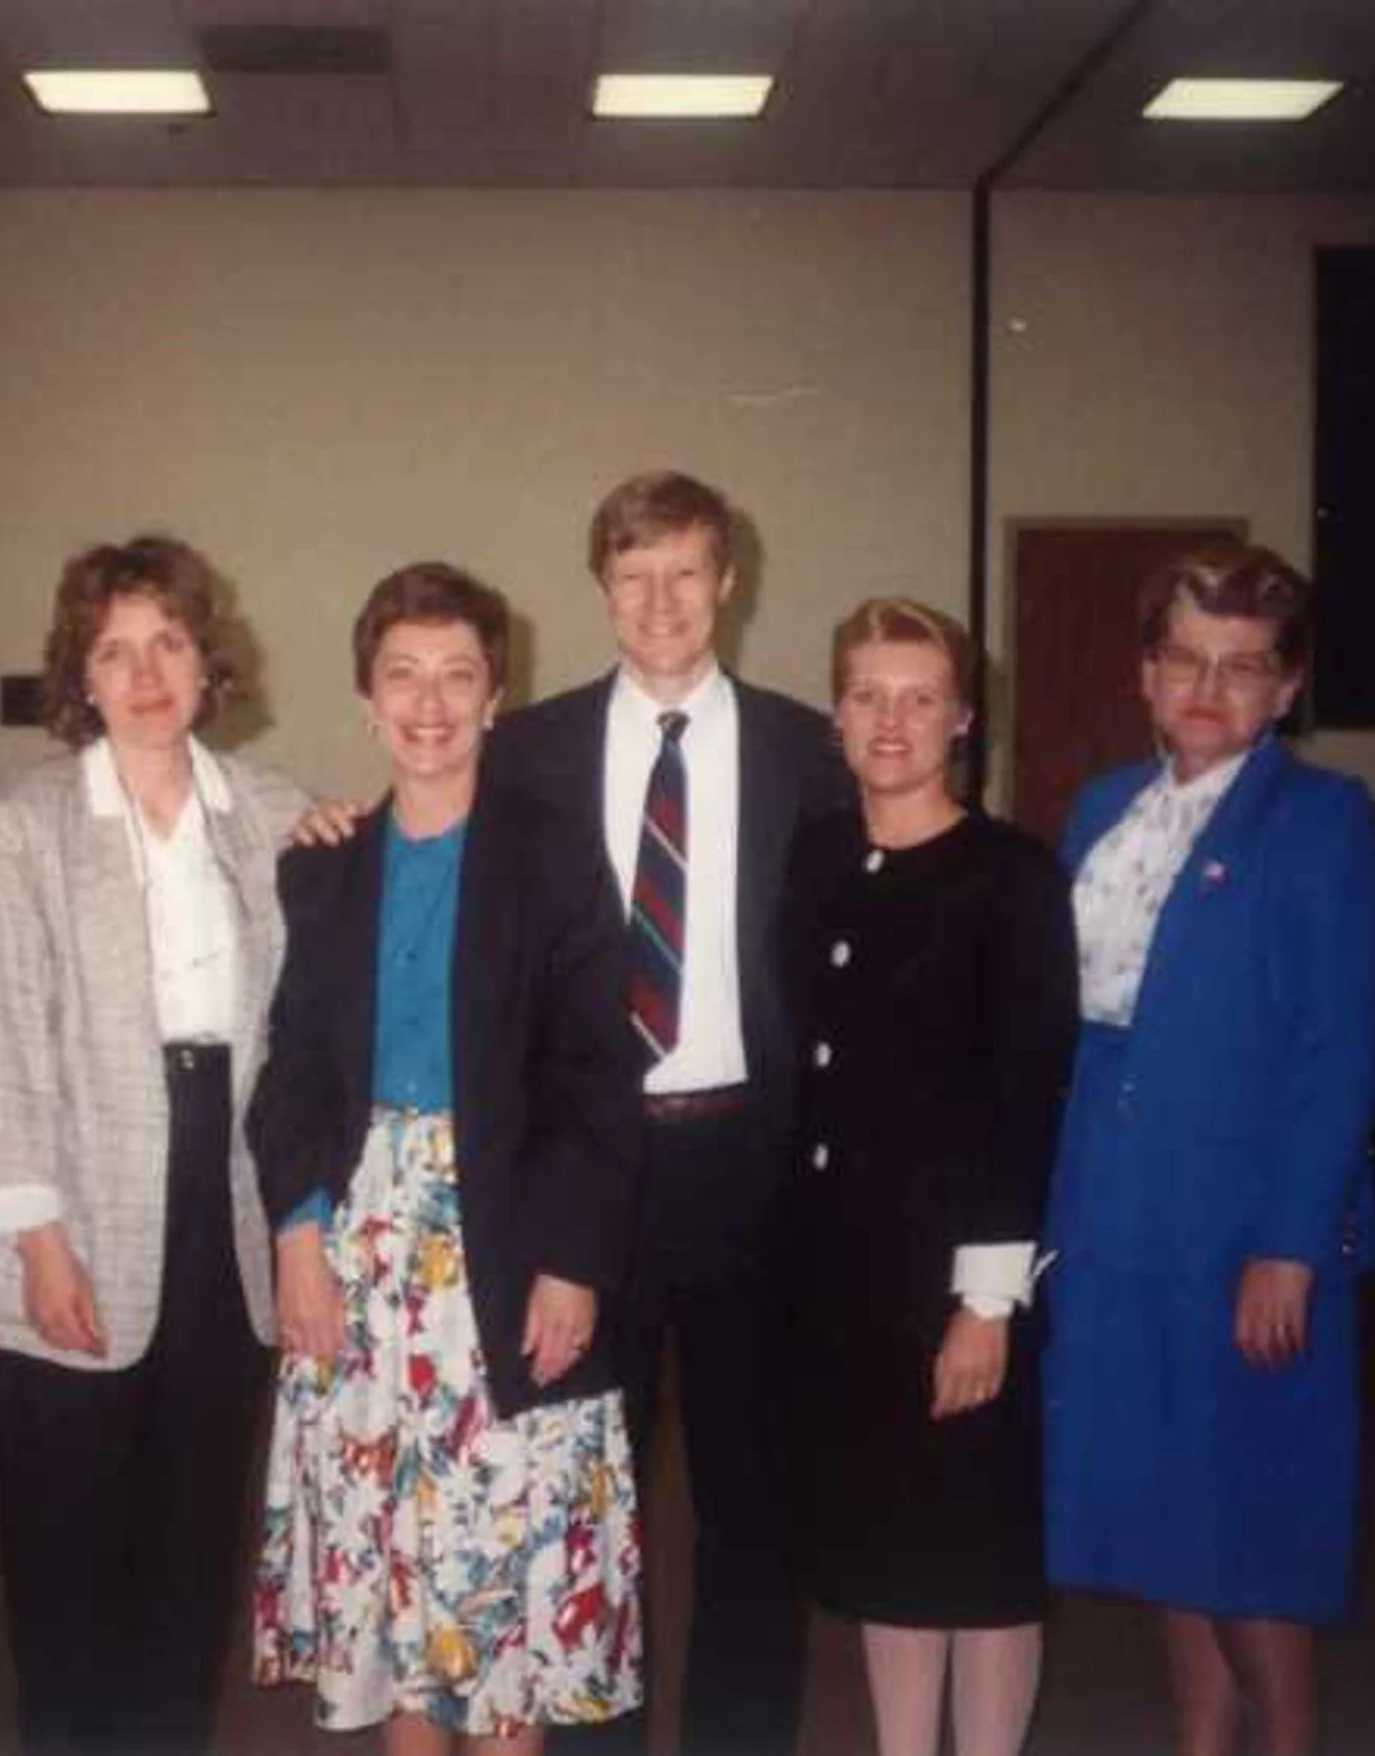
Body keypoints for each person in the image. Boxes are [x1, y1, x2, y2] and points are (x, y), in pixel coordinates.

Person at [250, 561, 647, 1753]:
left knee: (501, 1591)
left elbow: (595, 1077)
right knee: (397, 1592)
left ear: (495, 695)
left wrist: (573, 1261)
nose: (429, 704)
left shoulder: (553, 857)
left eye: (457, 676)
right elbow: (293, 1075)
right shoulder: (322, 863)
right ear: (366, 699)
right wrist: (297, 1237)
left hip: (509, 1244)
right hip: (362, 1250)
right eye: (402, 676)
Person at [490, 471, 851, 1756]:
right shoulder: (522, 751)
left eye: (685, 573)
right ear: (600, 588)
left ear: (727, 583)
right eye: (633, 575)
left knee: (753, 1501)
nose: (659, 601)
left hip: (748, 1158)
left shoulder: (811, 752)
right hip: (590, 1169)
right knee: (595, 1492)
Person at [0, 536, 310, 1756]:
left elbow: (307, 1034)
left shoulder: (276, 813)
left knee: (190, 1538)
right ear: (82, 676)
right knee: (66, 1544)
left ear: (208, 664)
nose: (146, 670)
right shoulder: (20, 822)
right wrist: (40, 1243)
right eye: (115, 649)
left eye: (168, 642)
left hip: (229, 1193)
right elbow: (4, 1042)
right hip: (73, 1198)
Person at [1041, 543, 1375, 1756]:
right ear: (1145, 674)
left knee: (1253, 1532)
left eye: (1243, 667)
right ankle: (1200, 1742)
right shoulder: (1099, 808)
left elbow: (1337, 1053)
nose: (1209, 688)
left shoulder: (1327, 822)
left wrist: (1291, 1248)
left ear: (1286, 687)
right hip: (1109, 1216)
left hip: (1242, 1229)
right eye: (1185, 660)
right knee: (1159, 1517)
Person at [784, 599, 1077, 1756]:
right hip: (841, 1270)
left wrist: (986, 1304)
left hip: (960, 1274)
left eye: (917, 697)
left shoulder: (1009, 875)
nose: (890, 720)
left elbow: (1022, 1097)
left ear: (961, 716)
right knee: (885, 1549)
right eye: (866, 695)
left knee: (980, 1555)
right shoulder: (814, 855)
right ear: (835, 715)